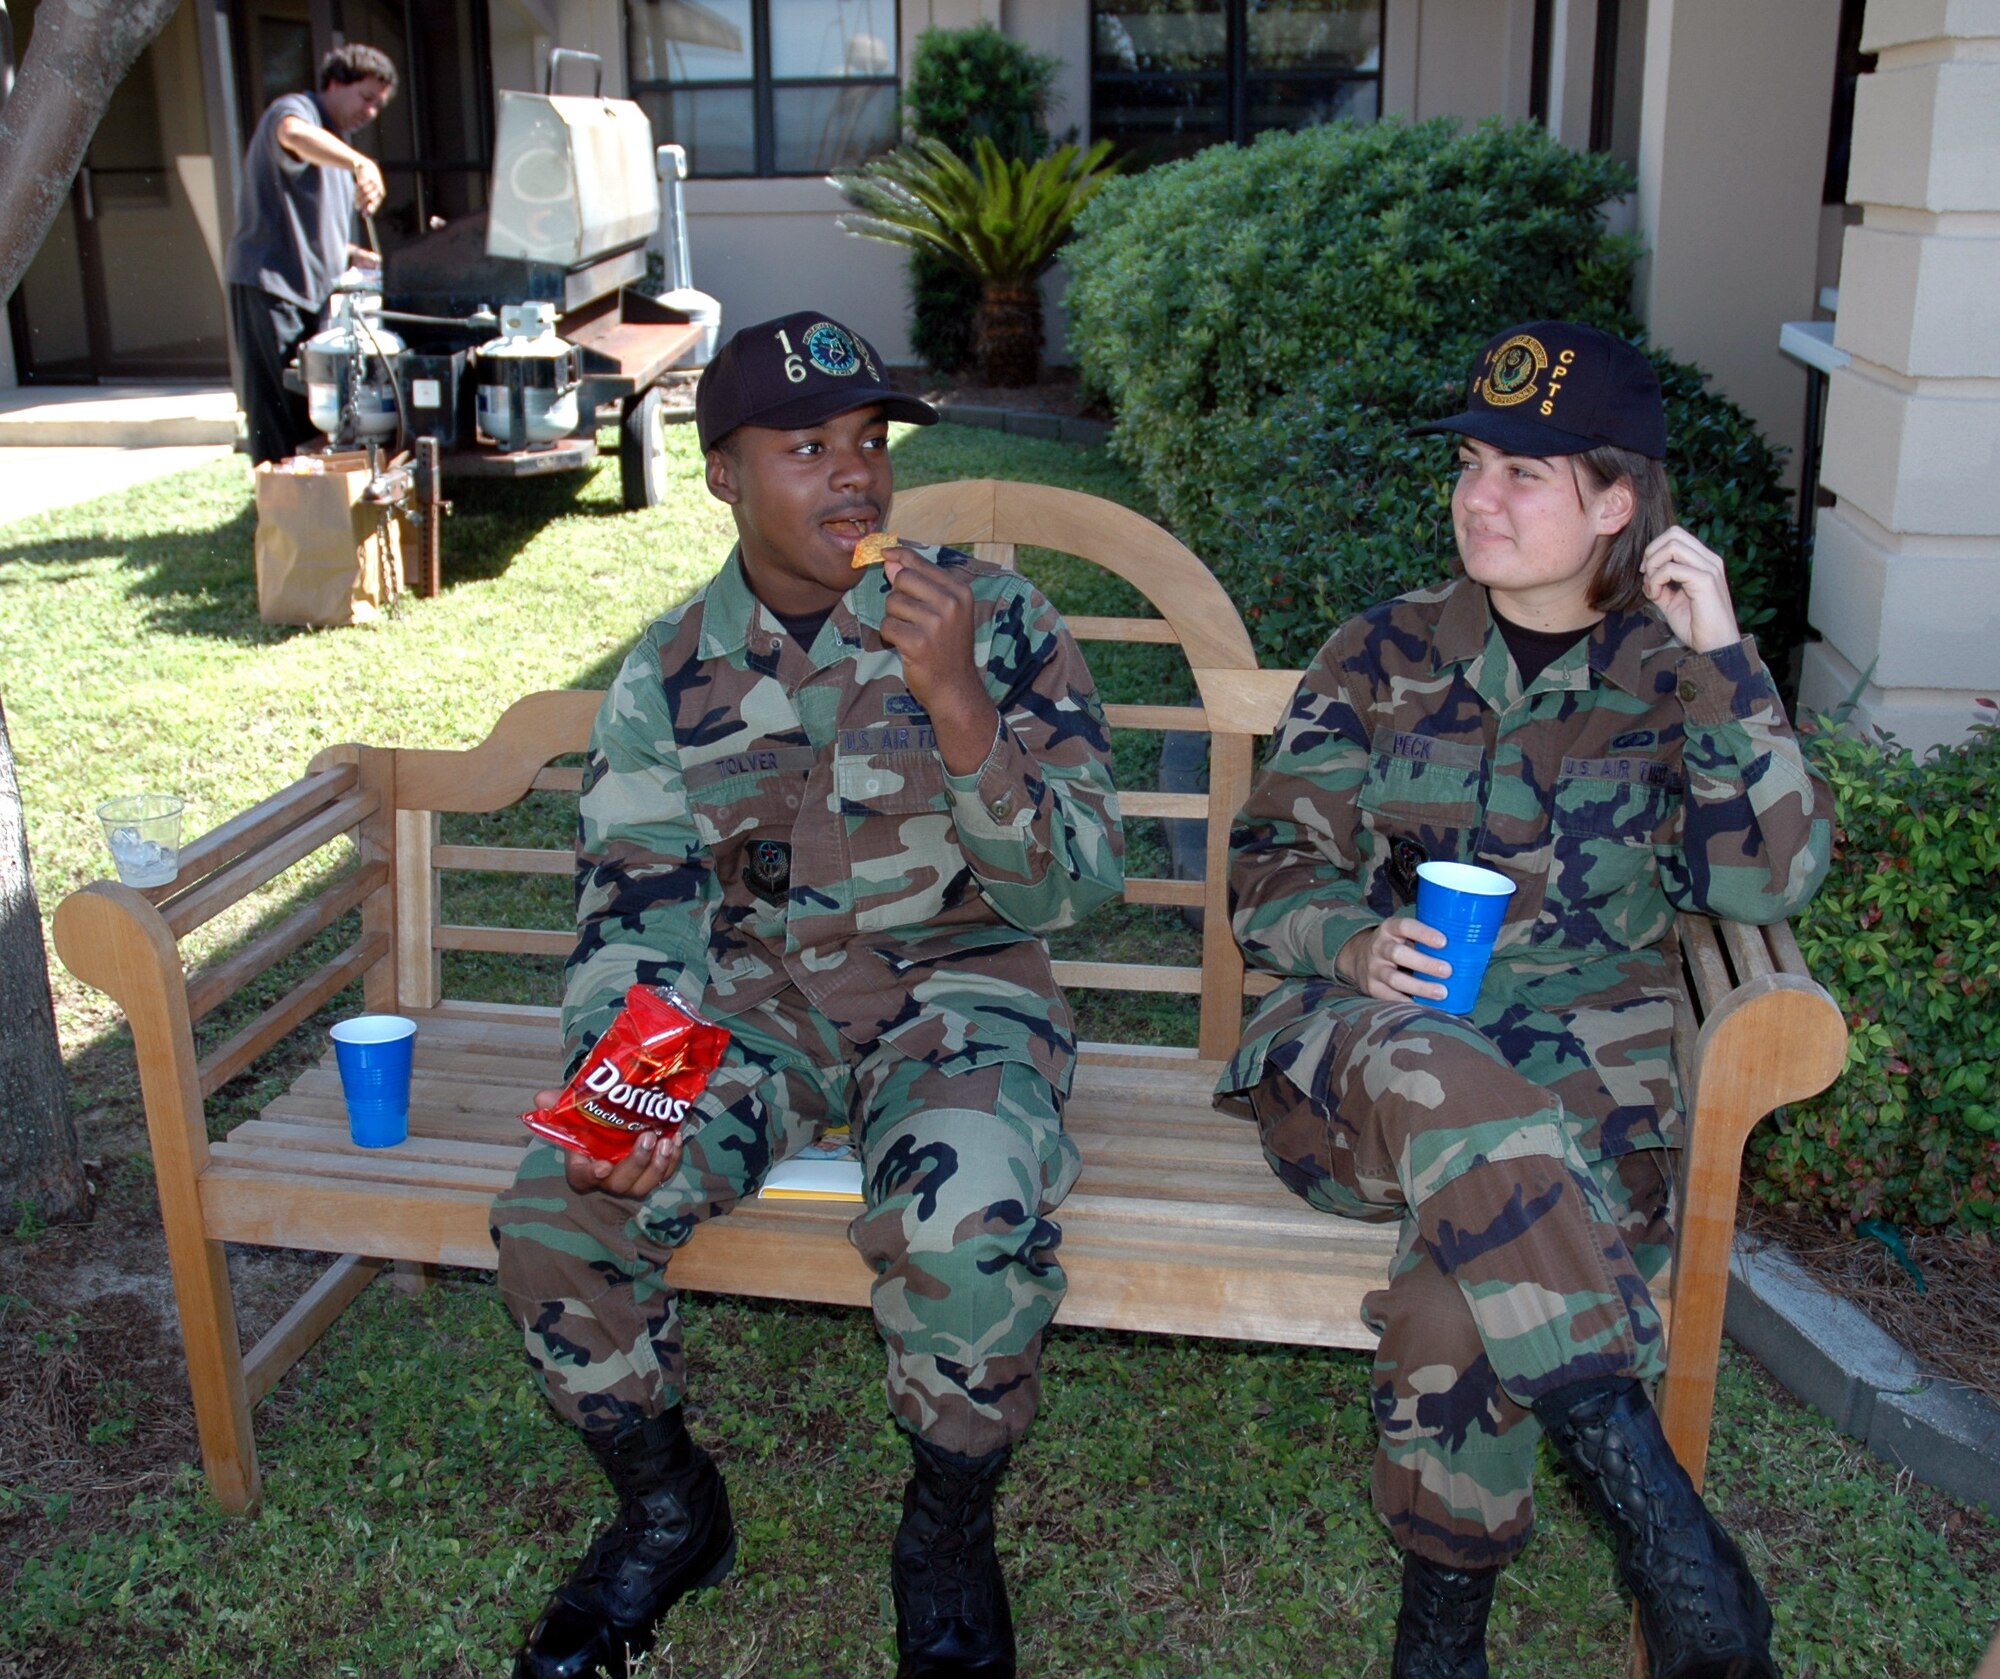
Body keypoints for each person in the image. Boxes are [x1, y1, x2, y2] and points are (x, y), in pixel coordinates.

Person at [490, 311, 1125, 1679]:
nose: (855, 476)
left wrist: (959, 704)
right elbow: (637, 914)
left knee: (964, 1214)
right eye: (805, 447)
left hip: (964, 991)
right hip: (751, 1003)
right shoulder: (665, 675)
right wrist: (633, 1089)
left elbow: (1074, 887)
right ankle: (671, 1510)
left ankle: (947, 1531)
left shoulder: (991, 621)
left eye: (867, 442)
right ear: (722, 472)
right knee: (561, 1202)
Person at [1219, 322, 1831, 1679]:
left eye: (1526, 475)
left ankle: (1440, 1633)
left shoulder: (1678, 676)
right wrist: (1354, 940)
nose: (1479, 497)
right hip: (1358, 1065)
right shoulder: (1377, 653)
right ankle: (1661, 1519)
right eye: (1475, 464)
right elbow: (1263, 864)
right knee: (1435, 1072)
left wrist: (1727, 658)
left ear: (1617, 503)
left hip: (1579, 1094)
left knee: (1459, 1304)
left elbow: (1766, 874)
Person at [223, 43, 397, 465]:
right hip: (272, 287)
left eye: (379, 105)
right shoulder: (296, 111)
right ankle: (280, 512)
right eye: (367, 98)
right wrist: (360, 163)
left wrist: (353, 255)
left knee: (310, 410)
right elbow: (292, 135)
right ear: (336, 83)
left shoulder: (336, 142)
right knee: (279, 412)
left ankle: (307, 506)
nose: (371, 112)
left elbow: (313, 228)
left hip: (311, 295)